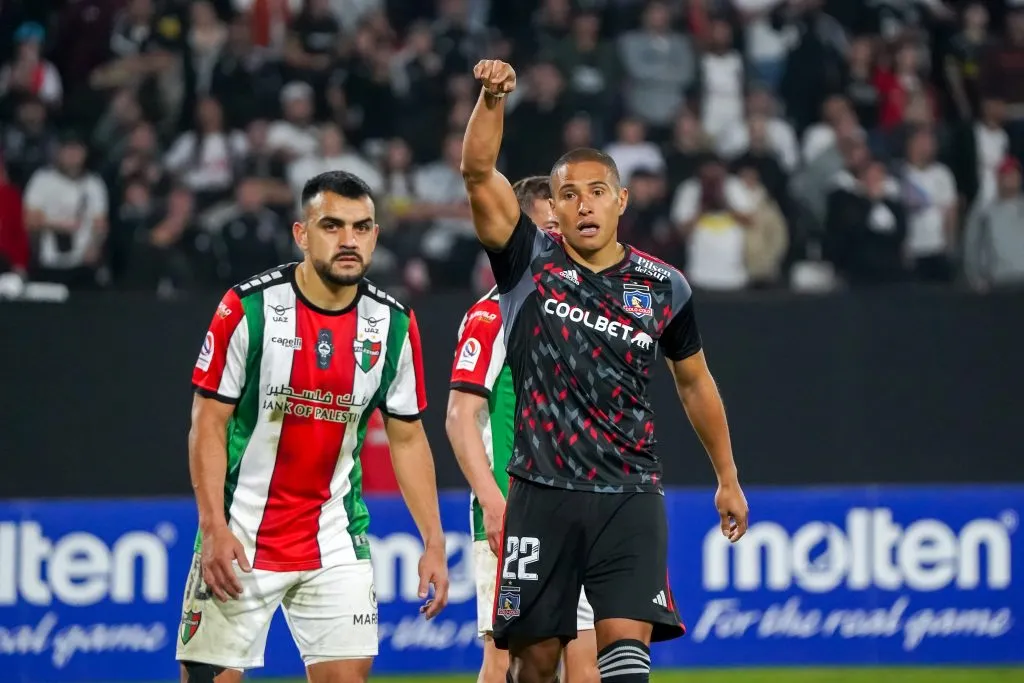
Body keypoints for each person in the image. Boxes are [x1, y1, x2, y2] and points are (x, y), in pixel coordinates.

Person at [460, 60, 750, 683]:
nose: (583, 204)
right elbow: (479, 171)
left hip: (630, 494)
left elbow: (694, 381)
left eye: (596, 191)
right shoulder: (525, 266)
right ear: (552, 210)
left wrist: (726, 476)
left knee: (623, 658)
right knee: (534, 666)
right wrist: (491, 99)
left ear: (621, 201)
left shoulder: (663, 286)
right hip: (540, 492)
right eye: (568, 194)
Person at [177, 170, 450, 683]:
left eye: (363, 227)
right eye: (332, 226)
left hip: (335, 537)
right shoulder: (248, 308)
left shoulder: (392, 324)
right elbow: (207, 424)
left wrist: (433, 540)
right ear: (301, 234)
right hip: (240, 535)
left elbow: (408, 436)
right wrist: (213, 528)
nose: (349, 241)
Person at [446, 175, 599, 683]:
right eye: (546, 228)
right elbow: (460, 417)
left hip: (580, 506)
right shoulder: (492, 315)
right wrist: (492, 502)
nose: (559, 237)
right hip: (515, 512)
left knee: (585, 656)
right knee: (505, 658)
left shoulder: (585, 314)